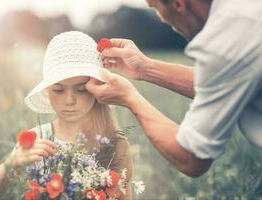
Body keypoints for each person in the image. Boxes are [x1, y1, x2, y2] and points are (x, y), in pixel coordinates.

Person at [86, 0, 262, 177]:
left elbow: (190, 156)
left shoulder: (225, 38)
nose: (162, 19)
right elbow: (225, 82)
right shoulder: (244, 13)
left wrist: (129, 97)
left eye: (155, 7)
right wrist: (144, 68)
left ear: (178, 4)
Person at [0, 31, 133, 199]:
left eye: (81, 89)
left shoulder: (115, 144)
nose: (69, 100)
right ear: (47, 90)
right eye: (58, 90)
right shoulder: (38, 137)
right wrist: (13, 163)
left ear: (96, 87)